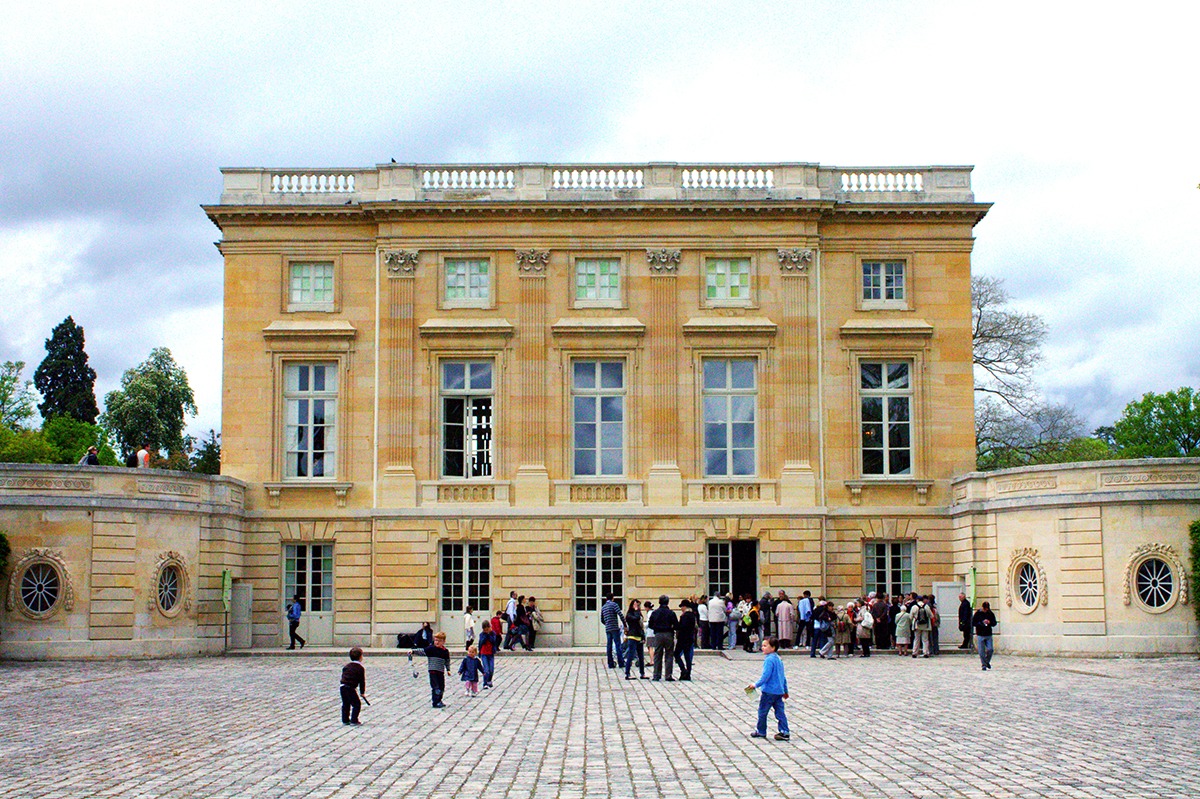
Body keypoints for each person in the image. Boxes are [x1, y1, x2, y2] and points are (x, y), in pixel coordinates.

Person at [747, 636, 789, 741]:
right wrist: (785, 690)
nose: (763, 648)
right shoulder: (778, 659)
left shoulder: (769, 660)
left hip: (769, 691)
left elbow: (766, 676)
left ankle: (761, 731)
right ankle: (784, 731)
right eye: (762, 645)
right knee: (780, 712)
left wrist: (755, 685)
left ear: (773, 648)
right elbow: (782, 676)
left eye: (765, 646)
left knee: (762, 712)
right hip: (778, 691)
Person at [648, 595, 678, 681]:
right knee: (669, 654)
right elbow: (676, 625)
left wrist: (656, 628)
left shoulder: (655, 613)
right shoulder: (671, 613)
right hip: (668, 634)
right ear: (667, 602)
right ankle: (668, 675)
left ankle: (656, 675)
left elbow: (650, 624)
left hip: (658, 634)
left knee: (658, 655)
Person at [339, 647, 366, 725]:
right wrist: (362, 692)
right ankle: (354, 720)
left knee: (345, 704)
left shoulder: (347, 666)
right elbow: (362, 681)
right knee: (356, 704)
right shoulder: (360, 668)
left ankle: (345, 719)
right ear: (360, 657)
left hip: (342, 686)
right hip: (350, 688)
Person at [424, 631, 451, 707]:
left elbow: (447, 661)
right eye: (435, 640)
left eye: (439, 641)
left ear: (443, 642)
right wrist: (412, 651)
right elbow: (422, 651)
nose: (437, 642)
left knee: (441, 686)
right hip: (433, 671)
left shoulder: (445, 651)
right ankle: (435, 702)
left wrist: (448, 669)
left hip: (440, 671)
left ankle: (439, 700)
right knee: (435, 687)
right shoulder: (431, 649)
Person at [623, 599, 647, 680]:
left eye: (638, 605)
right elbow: (636, 619)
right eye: (636, 605)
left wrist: (643, 637)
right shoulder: (629, 615)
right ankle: (627, 673)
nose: (637, 607)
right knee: (631, 655)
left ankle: (642, 673)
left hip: (639, 636)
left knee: (641, 656)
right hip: (632, 636)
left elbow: (641, 626)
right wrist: (636, 610)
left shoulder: (638, 614)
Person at [601, 593, 625, 669]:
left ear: (606, 599)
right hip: (614, 627)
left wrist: (607, 624)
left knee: (609, 646)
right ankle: (621, 662)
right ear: (613, 598)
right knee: (618, 645)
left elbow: (602, 619)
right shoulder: (614, 605)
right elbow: (620, 614)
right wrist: (625, 624)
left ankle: (610, 663)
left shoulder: (603, 607)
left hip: (608, 628)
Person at [972, 601, 998, 670]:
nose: (986, 610)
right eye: (985, 609)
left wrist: (990, 622)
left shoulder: (990, 613)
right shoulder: (978, 613)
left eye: (987, 609)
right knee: (981, 651)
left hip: (988, 634)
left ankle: (986, 662)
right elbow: (973, 623)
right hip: (980, 634)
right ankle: (983, 664)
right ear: (983, 607)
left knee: (990, 649)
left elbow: (994, 623)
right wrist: (981, 623)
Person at [674, 600, 696, 680]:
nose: (681, 608)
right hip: (690, 638)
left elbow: (681, 627)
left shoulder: (685, 616)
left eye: (682, 607)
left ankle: (683, 670)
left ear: (685, 607)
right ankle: (688, 673)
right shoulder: (692, 615)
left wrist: (675, 626)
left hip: (683, 638)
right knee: (687, 657)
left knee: (676, 654)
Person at [477, 621, 499, 688]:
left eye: (488, 629)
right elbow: (481, 642)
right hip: (484, 653)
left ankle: (489, 680)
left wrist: (489, 634)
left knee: (491, 669)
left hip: (491, 653)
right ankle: (485, 683)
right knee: (486, 669)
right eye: (485, 630)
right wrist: (479, 652)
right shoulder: (482, 634)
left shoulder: (493, 634)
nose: (486, 631)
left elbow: (493, 641)